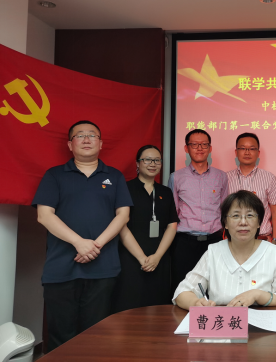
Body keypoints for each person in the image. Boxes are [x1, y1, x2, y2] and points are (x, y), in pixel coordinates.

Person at [32, 120, 132, 351]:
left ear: (101, 143)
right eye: (80, 135)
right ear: (70, 144)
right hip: (61, 269)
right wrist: (79, 243)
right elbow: (44, 216)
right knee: (61, 336)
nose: (86, 139)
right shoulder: (54, 175)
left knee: (97, 336)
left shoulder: (115, 176)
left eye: (92, 135)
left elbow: (123, 216)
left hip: (103, 268)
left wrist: (94, 246)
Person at [173, 190, 276, 309]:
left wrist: (258, 295)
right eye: (236, 216)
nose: (243, 222)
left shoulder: (273, 252)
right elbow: (182, 292)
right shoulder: (214, 252)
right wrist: (196, 303)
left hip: (260, 321)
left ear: (259, 222)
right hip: (222, 320)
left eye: (250, 215)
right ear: (225, 223)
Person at [112, 145, 178, 313]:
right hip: (131, 257)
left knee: (158, 306)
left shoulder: (166, 192)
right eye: (147, 160)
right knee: (129, 305)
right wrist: (142, 258)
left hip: (159, 258)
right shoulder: (125, 189)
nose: (152, 164)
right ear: (138, 163)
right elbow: (121, 225)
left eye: (157, 160)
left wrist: (157, 256)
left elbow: (172, 225)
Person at [168, 129, 229, 294]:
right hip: (184, 242)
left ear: (210, 148)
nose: (200, 148)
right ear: (186, 148)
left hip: (214, 242)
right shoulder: (176, 177)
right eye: (194, 144)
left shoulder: (221, 176)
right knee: (183, 289)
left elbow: (225, 210)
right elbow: (172, 212)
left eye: (204, 144)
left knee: (215, 289)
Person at [227, 133, 276, 244]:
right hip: (233, 241)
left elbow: (275, 212)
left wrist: (275, 239)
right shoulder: (225, 178)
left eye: (252, 149)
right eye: (243, 148)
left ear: (258, 153)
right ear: (236, 152)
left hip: (262, 240)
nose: (247, 152)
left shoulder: (269, 178)